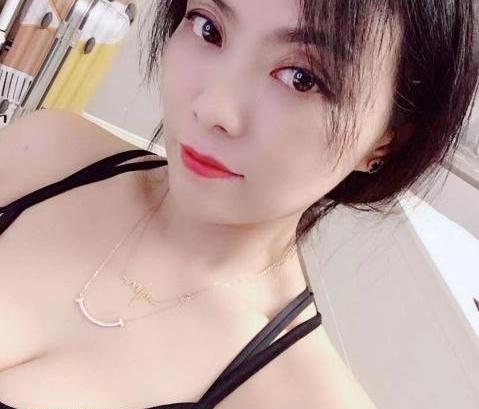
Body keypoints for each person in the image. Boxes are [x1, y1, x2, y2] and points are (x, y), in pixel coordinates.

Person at [0, 0, 477, 408]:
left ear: (387, 140)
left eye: (301, 78)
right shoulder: (43, 151)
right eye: (209, 28)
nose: (213, 107)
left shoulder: (302, 397)